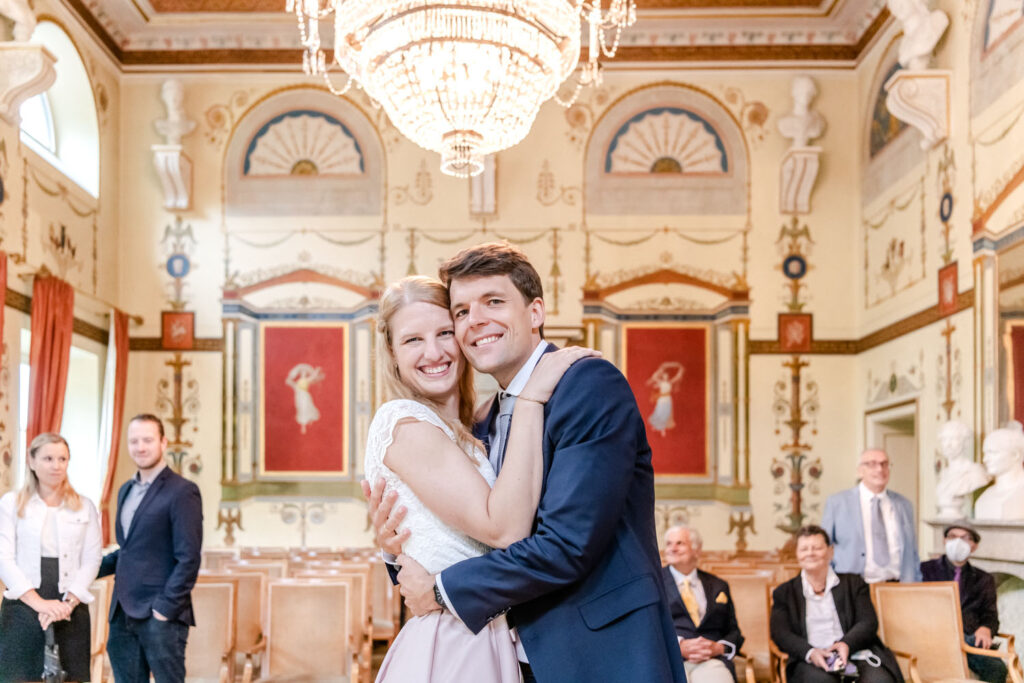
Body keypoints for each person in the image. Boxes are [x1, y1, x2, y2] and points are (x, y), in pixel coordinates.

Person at [366, 243, 686, 683]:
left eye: (493, 302)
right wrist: (395, 545)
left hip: (601, 653)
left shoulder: (586, 384)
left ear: (535, 312)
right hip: (511, 655)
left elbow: (566, 545)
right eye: (461, 311)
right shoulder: (483, 421)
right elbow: (451, 535)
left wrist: (441, 592)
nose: (475, 320)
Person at [365, 275, 595, 682]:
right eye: (412, 340)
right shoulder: (405, 422)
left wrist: (394, 550)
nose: (433, 352)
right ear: (391, 351)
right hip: (454, 642)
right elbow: (503, 528)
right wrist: (531, 399)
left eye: (444, 333)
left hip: (488, 632)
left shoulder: (474, 423)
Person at [98, 414, 203, 683]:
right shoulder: (124, 490)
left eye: (147, 440)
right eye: (134, 441)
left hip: (161, 616)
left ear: (163, 442)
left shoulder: (183, 491)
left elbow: (188, 559)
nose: (140, 447)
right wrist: (82, 570)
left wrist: (164, 609)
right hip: (122, 613)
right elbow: (129, 551)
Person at [0, 433, 101, 682]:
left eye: (62, 459)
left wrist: (68, 603)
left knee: (72, 677)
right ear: (32, 461)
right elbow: (3, 558)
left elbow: (92, 559)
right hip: (22, 603)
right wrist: (40, 604)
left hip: (70, 605)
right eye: (48, 458)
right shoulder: (11, 503)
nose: (56, 465)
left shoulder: (84, 505)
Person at [770, 525, 903, 683]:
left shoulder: (854, 584)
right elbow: (781, 633)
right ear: (797, 555)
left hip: (857, 654)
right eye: (804, 549)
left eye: (817, 548)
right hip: (810, 661)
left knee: (880, 681)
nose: (810, 553)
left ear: (830, 551)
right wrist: (810, 652)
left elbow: (868, 622)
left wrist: (846, 644)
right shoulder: (784, 592)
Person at [921, 522, 1008, 683]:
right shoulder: (924, 571)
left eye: (965, 538)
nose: (958, 542)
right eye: (953, 537)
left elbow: (990, 616)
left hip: (968, 640)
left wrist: (986, 628)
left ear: (974, 546)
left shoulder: (984, 579)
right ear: (944, 541)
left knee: (997, 669)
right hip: (932, 636)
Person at [820, 449, 920, 583]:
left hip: (897, 585)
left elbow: (912, 552)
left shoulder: (903, 504)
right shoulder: (838, 503)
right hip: (852, 587)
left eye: (884, 464)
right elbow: (823, 547)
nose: (880, 469)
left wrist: (916, 583)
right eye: (872, 464)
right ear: (860, 471)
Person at [662, 524, 744, 683]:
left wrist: (718, 648)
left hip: (711, 662)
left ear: (697, 549)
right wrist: (678, 646)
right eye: (669, 544)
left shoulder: (719, 585)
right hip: (669, 660)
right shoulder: (655, 584)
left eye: (680, 543)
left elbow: (734, 632)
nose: (673, 548)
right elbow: (649, 628)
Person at [974, 422, 1024, 519]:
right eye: (985, 453)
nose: (985, 460)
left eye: (992, 453)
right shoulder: (984, 499)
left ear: (1015, 455)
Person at [647, 361, 684, 436]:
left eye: (666, 376)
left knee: (666, 413)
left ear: (668, 376)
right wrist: (660, 370)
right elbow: (654, 378)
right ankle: (656, 426)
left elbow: (677, 377)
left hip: (668, 400)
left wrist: (680, 369)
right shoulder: (660, 382)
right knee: (659, 412)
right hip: (661, 399)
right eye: (664, 376)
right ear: (662, 376)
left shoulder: (670, 382)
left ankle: (662, 429)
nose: (665, 377)